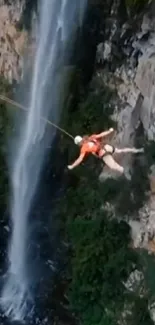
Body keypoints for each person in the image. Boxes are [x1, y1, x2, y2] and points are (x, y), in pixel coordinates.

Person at [67, 128, 144, 174]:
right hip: (106, 147)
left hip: (103, 153)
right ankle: (137, 150)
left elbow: (80, 159)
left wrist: (72, 166)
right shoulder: (90, 137)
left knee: (113, 166)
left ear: (79, 143)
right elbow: (101, 135)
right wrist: (109, 131)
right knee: (120, 151)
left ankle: (127, 172)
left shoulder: (84, 148)